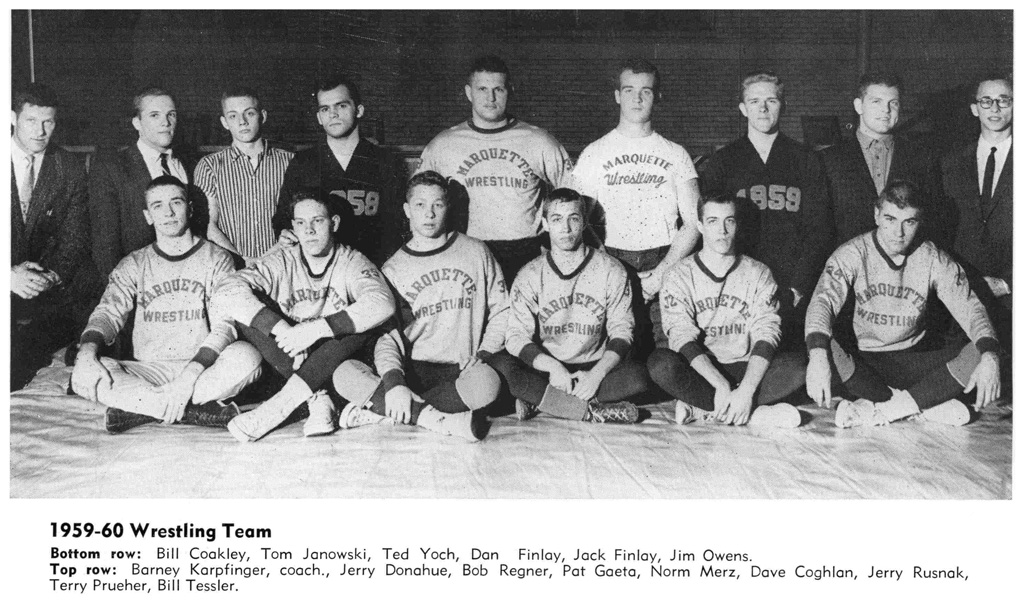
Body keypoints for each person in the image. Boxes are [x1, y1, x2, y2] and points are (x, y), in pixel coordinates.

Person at [70, 176, 262, 434]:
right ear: (148, 216)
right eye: (158, 205)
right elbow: (107, 313)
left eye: (176, 202)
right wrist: (86, 352)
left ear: (190, 209)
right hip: (149, 370)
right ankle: (191, 412)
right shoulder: (134, 263)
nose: (168, 212)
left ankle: (143, 409)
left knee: (247, 357)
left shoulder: (217, 258)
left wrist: (189, 376)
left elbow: (224, 326)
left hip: (202, 368)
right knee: (88, 372)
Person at [804, 181, 1001, 428]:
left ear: (920, 222)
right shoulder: (852, 253)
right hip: (864, 363)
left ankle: (883, 408)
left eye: (909, 222)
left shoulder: (933, 257)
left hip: (913, 360)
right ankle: (923, 403)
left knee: (985, 345)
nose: (899, 232)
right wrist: (818, 355)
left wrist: (990, 356)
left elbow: (970, 307)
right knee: (820, 342)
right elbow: (822, 302)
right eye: (890, 219)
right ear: (876, 215)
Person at [332, 171, 508, 441]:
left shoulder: (476, 251)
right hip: (413, 370)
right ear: (407, 210)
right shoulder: (392, 269)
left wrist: (484, 354)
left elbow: (502, 310)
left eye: (438, 204)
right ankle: (434, 419)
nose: (429, 214)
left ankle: (384, 412)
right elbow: (387, 338)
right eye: (420, 205)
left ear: (448, 207)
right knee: (344, 374)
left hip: (462, 368)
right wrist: (395, 383)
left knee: (488, 384)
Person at [215, 189, 396, 442]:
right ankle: (319, 399)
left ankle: (281, 405)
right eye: (301, 223)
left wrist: (314, 330)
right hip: (290, 357)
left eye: (317, 221)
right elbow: (225, 291)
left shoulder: (351, 259)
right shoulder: (281, 259)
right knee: (246, 311)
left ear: (334, 223)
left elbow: (383, 303)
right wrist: (284, 330)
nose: (309, 230)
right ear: (293, 227)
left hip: (335, 356)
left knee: (362, 323)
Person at [572, 59, 701, 355]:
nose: (637, 98)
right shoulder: (594, 153)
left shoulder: (676, 154)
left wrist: (661, 274)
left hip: (666, 260)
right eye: (629, 90)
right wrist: (608, 267)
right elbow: (578, 221)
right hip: (611, 259)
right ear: (618, 96)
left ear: (658, 96)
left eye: (646, 91)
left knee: (670, 356)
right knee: (616, 357)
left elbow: (695, 222)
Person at [490, 188, 648, 424]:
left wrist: (596, 375)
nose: (566, 228)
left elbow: (622, 331)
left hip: (593, 366)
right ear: (545, 224)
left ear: (584, 222)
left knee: (639, 377)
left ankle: (544, 401)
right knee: (500, 364)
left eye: (573, 218)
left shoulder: (611, 269)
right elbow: (515, 336)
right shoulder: (530, 274)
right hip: (546, 367)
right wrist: (554, 369)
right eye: (556, 219)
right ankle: (588, 411)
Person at [699, 71, 832, 349]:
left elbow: (819, 230)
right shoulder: (723, 162)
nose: (763, 108)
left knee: (790, 362)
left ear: (783, 106)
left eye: (771, 100)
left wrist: (798, 287)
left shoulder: (806, 159)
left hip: (792, 287)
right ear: (743, 108)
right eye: (754, 101)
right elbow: (712, 232)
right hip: (737, 286)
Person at [647, 193, 804, 428]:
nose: (722, 230)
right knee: (660, 365)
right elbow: (681, 336)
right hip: (703, 369)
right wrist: (720, 384)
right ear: (700, 226)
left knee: (799, 366)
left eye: (729, 221)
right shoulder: (678, 274)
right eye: (713, 221)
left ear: (737, 225)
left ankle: (707, 408)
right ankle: (749, 411)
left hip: (745, 365)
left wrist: (747, 390)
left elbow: (767, 332)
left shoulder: (758, 272)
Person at [418, 55, 573, 282]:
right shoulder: (443, 144)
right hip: (465, 251)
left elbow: (574, 193)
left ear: (510, 91)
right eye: (482, 89)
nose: (490, 98)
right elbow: (419, 202)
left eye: (498, 89)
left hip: (526, 252)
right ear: (469, 92)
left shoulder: (539, 140)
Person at [11, 83, 102, 390]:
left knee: (91, 279)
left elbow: (76, 236)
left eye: (48, 122)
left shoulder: (68, 166)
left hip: (44, 283)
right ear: (12, 118)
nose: (40, 131)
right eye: (31, 121)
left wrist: (51, 276)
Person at [274, 74, 403, 267]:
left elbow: (396, 226)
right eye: (325, 109)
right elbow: (283, 217)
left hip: (373, 267)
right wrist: (284, 233)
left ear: (359, 110)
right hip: (316, 271)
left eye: (341, 106)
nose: (332, 114)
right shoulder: (303, 162)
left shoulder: (385, 161)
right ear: (319, 117)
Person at [821, 73, 947, 248]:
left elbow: (934, 220)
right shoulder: (828, 160)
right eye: (876, 102)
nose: (886, 110)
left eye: (893, 103)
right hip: (847, 261)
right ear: (858, 106)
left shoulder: (922, 158)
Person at [89, 87, 196, 277]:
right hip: (137, 280)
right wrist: (120, 289)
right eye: (155, 115)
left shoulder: (190, 163)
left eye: (171, 114)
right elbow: (105, 244)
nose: (165, 122)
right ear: (137, 123)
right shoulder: (112, 168)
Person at [942, 74, 1013, 357]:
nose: (995, 108)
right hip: (961, 296)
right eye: (986, 101)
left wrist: (1008, 283)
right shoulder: (950, 162)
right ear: (974, 108)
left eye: (1004, 100)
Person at [194, 87, 293, 266]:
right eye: (233, 116)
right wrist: (241, 261)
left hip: (282, 265)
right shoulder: (209, 165)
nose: (242, 122)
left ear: (262, 116)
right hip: (231, 267)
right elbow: (209, 225)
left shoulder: (289, 161)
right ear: (224, 122)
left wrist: (266, 259)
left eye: (249, 113)